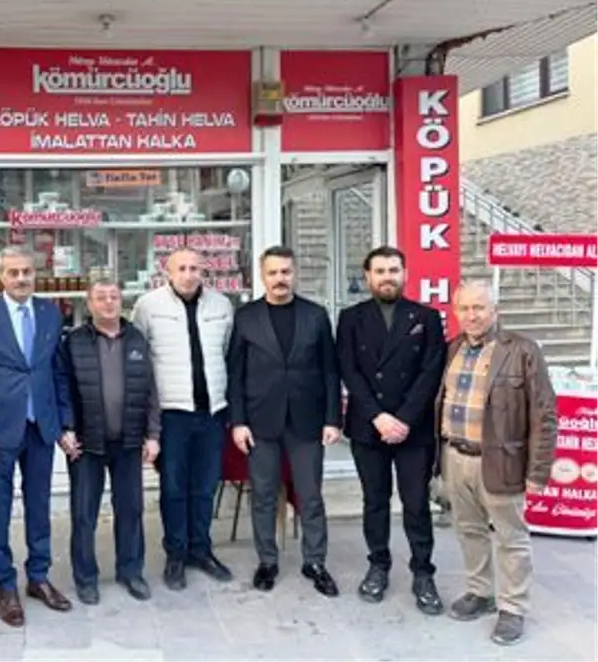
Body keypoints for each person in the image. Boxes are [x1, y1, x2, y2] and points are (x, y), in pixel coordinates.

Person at [437, 280, 556, 646]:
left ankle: (513, 607)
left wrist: (538, 471)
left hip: (502, 461)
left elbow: (545, 414)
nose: (472, 315)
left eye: (479, 308)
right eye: (465, 308)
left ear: (495, 311)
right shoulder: (452, 348)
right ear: (455, 312)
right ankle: (480, 592)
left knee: (511, 538)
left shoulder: (521, 350)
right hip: (456, 456)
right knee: (469, 530)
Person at [0, 245, 74, 627]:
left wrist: (64, 425)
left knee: (39, 505)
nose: (22, 278)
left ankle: (39, 576)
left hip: (40, 427)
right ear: (1, 277)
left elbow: (57, 373)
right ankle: (5, 584)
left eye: (27, 271)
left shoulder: (50, 313)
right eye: (13, 273)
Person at [336, 246, 446, 613]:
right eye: (380, 271)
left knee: (416, 503)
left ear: (405, 274)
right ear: (368, 276)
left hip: (413, 430)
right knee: (375, 501)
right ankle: (378, 565)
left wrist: (403, 419)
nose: (387, 277)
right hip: (369, 427)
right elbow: (348, 370)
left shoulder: (426, 317)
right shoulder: (350, 318)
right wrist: (378, 416)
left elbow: (431, 372)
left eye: (393, 270)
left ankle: (423, 573)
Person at [227, 246, 341, 597]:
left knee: (311, 496)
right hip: (260, 420)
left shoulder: (315, 315)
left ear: (295, 274)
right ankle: (267, 561)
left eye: (286, 272)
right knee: (263, 495)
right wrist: (238, 421)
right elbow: (235, 374)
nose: (280, 279)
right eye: (273, 272)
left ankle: (315, 561)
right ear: (263, 276)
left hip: (307, 420)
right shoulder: (246, 317)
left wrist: (332, 419)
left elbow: (330, 371)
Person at [131, 247, 233, 590]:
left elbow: (226, 353)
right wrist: (147, 423)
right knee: (174, 488)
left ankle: (200, 550)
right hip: (171, 414)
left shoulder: (222, 305)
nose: (189, 275)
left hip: (212, 412)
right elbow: (139, 359)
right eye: (182, 268)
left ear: (204, 271)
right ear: (168, 272)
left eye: (195, 268)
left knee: (205, 486)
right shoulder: (148, 306)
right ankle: (176, 553)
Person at [59, 278, 161, 605]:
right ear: (89, 304)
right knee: (84, 514)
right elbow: (62, 389)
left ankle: (131, 571)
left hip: (128, 441)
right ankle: (86, 578)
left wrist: (153, 435)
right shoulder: (74, 342)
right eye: (100, 297)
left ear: (121, 301)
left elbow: (151, 390)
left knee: (130, 510)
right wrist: (66, 429)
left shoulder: (137, 338)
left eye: (114, 296)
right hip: (86, 443)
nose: (108, 302)